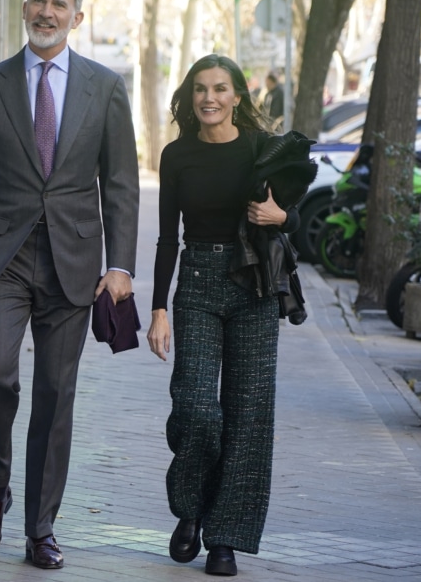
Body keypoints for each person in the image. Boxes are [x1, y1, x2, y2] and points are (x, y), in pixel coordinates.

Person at [0, 0, 139, 570]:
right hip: (3, 258)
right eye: (40, 1)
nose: (48, 12)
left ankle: (40, 527)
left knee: (56, 395)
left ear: (78, 16)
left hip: (75, 264)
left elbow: (122, 184)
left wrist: (121, 265)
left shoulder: (105, 88)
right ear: (25, 8)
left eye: (61, 4)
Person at [147, 54, 298, 576]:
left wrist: (281, 216)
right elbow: (168, 237)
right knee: (195, 407)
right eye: (200, 90)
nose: (209, 98)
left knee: (248, 417)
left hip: (253, 285)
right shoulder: (176, 156)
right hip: (198, 282)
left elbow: (291, 209)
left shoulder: (261, 149)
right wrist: (158, 308)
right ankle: (191, 507)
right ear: (190, 98)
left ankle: (225, 536)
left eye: (220, 89)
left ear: (237, 96)